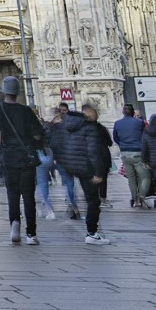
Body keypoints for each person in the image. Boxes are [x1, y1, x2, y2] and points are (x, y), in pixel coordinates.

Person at [0, 76, 46, 245]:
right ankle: (31, 234)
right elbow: (39, 133)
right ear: (18, 91)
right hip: (26, 158)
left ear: (4, 90)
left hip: (8, 157)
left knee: (12, 194)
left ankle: (15, 224)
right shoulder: (26, 111)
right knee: (28, 196)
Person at [54, 103, 115, 245]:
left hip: (75, 167)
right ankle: (92, 233)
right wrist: (99, 172)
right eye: (95, 113)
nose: (97, 116)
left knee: (90, 198)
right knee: (93, 200)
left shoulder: (68, 126)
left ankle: (93, 229)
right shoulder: (90, 127)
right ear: (89, 114)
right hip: (88, 168)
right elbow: (93, 152)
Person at [112, 104, 151, 207]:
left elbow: (115, 138)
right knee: (145, 177)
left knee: (131, 178)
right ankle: (141, 195)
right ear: (133, 112)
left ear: (123, 112)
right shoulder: (140, 122)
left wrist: (122, 145)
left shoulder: (117, 123)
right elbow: (144, 135)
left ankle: (136, 200)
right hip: (137, 152)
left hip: (125, 153)